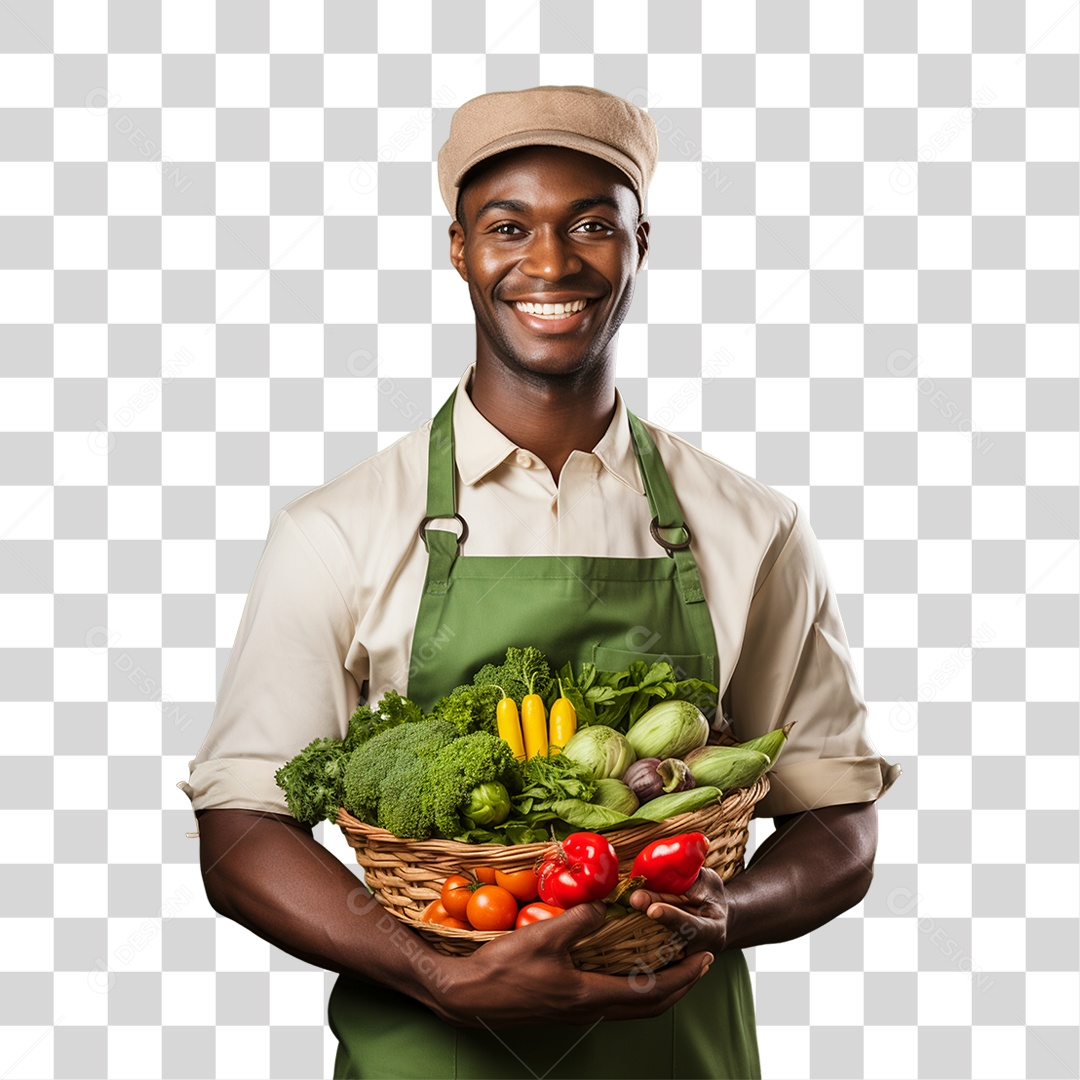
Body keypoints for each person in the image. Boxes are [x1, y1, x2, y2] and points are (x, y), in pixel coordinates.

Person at [181, 85, 900, 1079]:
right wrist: (431, 974)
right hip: (421, 1060)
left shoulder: (752, 528)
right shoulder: (336, 531)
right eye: (508, 226)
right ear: (459, 249)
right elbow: (240, 828)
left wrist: (725, 911)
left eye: (593, 224)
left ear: (642, 243)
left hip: (676, 1051)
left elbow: (836, 816)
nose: (551, 263)